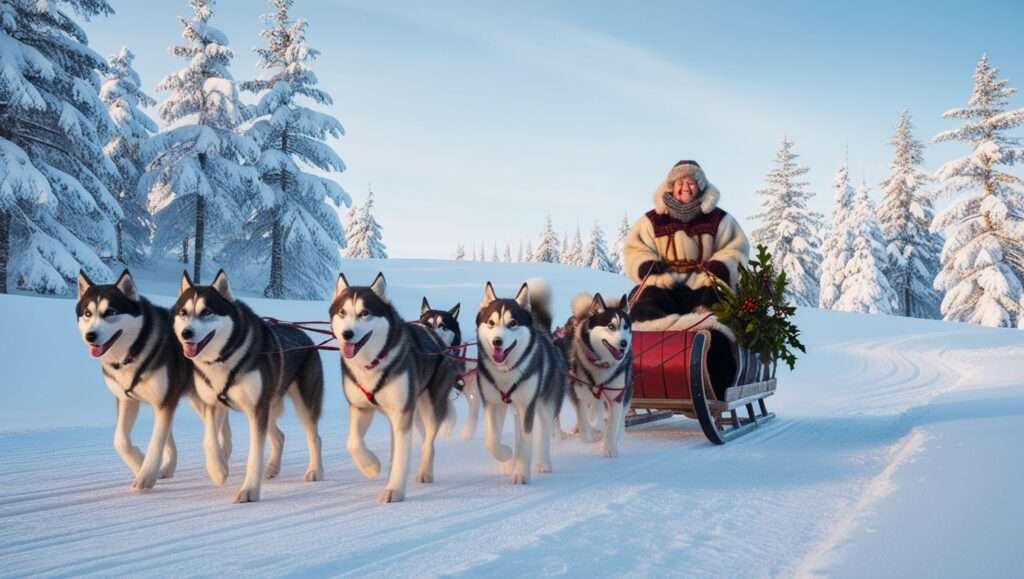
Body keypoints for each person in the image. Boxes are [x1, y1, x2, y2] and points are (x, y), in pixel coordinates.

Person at [623, 160, 750, 397]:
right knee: (644, 306)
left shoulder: (719, 219)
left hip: (704, 282)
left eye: (691, 182)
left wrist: (719, 265)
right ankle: (644, 379)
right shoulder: (651, 220)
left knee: (716, 313)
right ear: (671, 186)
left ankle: (715, 383)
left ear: (700, 187)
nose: (686, 187)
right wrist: (647, 265)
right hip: (664, 283)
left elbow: (737, 248)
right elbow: (634, 249)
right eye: (681, 182)